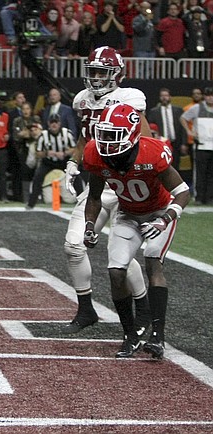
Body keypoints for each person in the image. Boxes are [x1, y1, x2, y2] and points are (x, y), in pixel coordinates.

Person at [83, 103, 190, 358]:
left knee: (153, 260)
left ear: (131, 134)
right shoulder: (95, 154)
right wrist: (90, 226)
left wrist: (165, 219)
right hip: (128, 213)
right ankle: (130, 335)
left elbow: (182, 191)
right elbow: (95, 197)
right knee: (116, 271)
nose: (106, 140)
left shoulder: (152, 152)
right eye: (104, 133)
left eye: (113, 135)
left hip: (159, 212)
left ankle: (158, 337)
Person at [63, 45, 151, 334]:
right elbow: (84, 138)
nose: (97, 78)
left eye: (103, 72)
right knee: (74, 245)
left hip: (126, 184)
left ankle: (144, 310)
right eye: (93, 71)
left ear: (117, 74)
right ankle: (86, 308)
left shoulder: (130, 98)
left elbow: (147, 142)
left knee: (121, 256)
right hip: (98, 183)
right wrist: (74, 163)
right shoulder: (82, 101)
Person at [25, 114, 75, 209]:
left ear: (59, 123)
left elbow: (74, 149)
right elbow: (38, 153)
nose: (54, 124)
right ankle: (31, 204)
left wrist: (64, 153)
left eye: (56, 122)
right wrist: (47, 153)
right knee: (37, 178)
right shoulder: (43, 135)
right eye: (52, 122)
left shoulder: (67, 133)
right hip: (48, 162)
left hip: (63, 161)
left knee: (75, 175)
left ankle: (82, 202)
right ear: (48, 123)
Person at [181, 86, 213, 205]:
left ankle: (210, 197)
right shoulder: (197, 108)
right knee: (200, 172)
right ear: (205, 97)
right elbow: (183, 118)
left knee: (211, 173)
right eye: (208, 95)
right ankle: (199, 197)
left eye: (212, 96)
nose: (210, 98)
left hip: (212, 145)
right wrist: (190, 131)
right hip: (201, 145)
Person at [147, 88, 186, 173]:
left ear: (170, 97)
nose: (164, 98)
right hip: (161, 143)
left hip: (176, 142)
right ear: (159, 97)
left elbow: (183, 128)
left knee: (175, 165)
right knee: (162, 165)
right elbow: (151, 128)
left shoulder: (178, 110)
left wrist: (184, 143)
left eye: (166, 95)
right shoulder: (154, 111)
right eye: (162, 96)